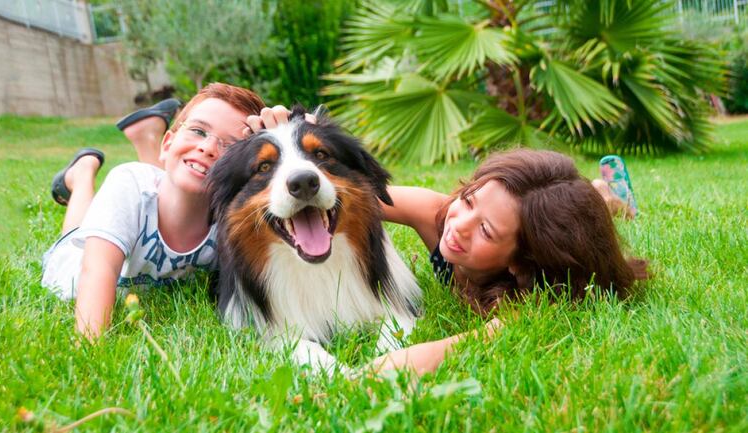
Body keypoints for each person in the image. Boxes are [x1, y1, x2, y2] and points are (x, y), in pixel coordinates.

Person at [247, 107, 647, 377]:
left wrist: (376, 371)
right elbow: (354, 194)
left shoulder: (525, 294)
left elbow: (458, 346)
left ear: (519, 263)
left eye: (486, 230)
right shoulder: (438, 214)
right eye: (470, 199)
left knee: (587, 206)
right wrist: (290, 153)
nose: (460, 225)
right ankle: (600, 192)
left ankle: (609, 198)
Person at [42, 83, 266, 339]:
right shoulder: (128, 181)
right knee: (75, 231)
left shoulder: (234, 220)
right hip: (70, 262)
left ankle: (144, 135)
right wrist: (90, 348)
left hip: (163, 196)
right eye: (198, 131)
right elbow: (98, 267)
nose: (209, 147)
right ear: (167, 144)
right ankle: (82, 174)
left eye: (231, 146)